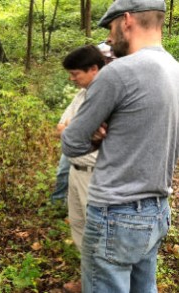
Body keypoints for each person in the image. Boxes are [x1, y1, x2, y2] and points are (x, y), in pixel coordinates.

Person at [61, 0, 179, 292]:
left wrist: (95, 137)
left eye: (111, 28)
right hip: (157, 210)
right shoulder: (175, 69)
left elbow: (71, 141)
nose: (110, 39)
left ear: (127, 20)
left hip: (116, 211)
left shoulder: (118, 72)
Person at [59, 45, 106, 293]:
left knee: (97, 232)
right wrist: (75, 130)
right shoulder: (81, 95)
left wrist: (73, 130)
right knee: (78, 226)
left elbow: (75, 132)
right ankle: (89, 281)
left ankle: (102, 285)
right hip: (75, 171)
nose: (72, 78)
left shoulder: (106, 95)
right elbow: (62, 128)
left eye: (75, 73)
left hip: (96, 175)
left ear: (93, 69)